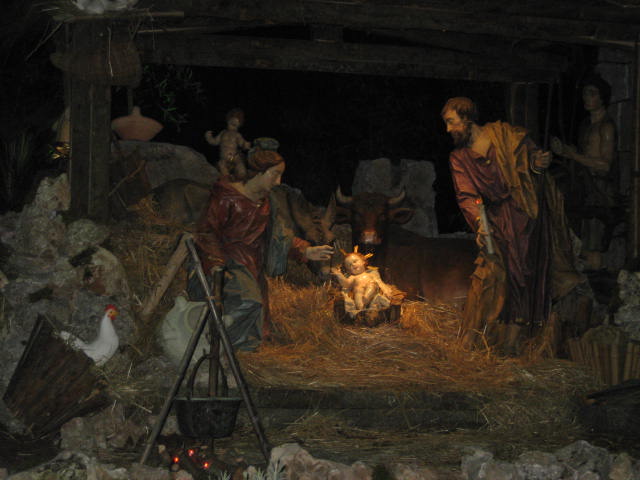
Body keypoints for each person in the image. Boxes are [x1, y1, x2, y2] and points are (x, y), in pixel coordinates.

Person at [441, 97, 584, 354]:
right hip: (496, 222)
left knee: (527, 276)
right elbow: (466, 195)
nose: (448, 129)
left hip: (527, 216)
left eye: (451, 122)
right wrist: (480, 223)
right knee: (495, 276)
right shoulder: (459, 157)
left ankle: (522, 341)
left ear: (467, 118)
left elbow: (531, 164)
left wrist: (538, 163)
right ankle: (490, 340)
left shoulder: (506, 136)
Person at [194, 148, 334, 351]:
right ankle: (224, 348)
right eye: (275, 174)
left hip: (254, 264)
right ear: (258, 172)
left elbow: (277, 236)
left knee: (259, 318)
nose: (278, 182)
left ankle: (245, 352)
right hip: (231, 265)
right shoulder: (226, 197)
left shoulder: (265, 202)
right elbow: (206, 232)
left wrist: (305, 250)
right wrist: (216, 264)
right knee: (247, 302)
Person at [550, 73, 619, 256]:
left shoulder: (606, 127)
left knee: (593, 242)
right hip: (584, 187)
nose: (586, 98)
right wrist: (564, 151)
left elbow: (605, 165)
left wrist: (574, 156)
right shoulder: (586, 125)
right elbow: (581, 156)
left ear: (602, 98)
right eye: (585, 93)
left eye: (592, 93)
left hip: (599, 189)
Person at [331, 248, 392, 313]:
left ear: (363, 261)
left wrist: (385, 289)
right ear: (348, 271)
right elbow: (346, 284)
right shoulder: (353, 277)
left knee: (372, 285)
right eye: (349, 265)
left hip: (371, 288)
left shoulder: (372, 274)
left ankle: (366, 298)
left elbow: (379, 282)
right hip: (359, 291)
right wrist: (339, 275)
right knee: (358, 291)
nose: (353, 265)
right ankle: (361, 308)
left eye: (355, 261)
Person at [204, 108, 252, 180]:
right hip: (224, 157)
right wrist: (208, 137)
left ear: (239, 124)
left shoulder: (237, 135)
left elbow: (242, 143)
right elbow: (214, 142)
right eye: (232, 120)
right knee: (221, 165)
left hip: (234, 156)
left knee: (240, 166)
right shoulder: (223, 133)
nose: (234, 122)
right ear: (228, 120)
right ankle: (227, 178)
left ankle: (242, 176)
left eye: (237, 122)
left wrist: (245, 145)